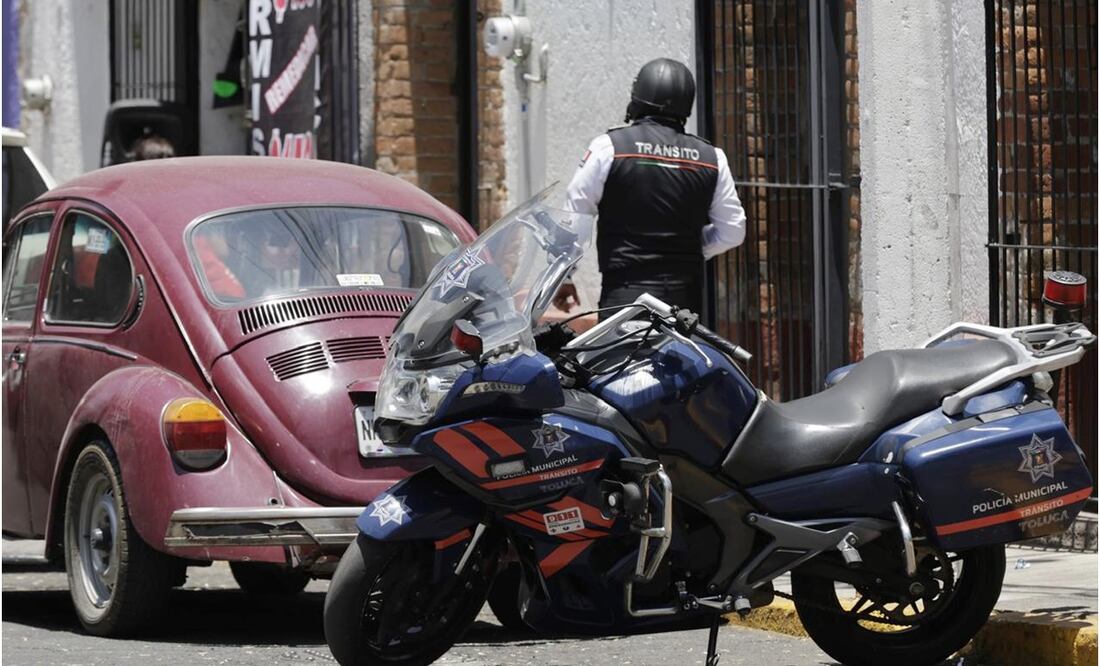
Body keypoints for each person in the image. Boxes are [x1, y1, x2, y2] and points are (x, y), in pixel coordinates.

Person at [558, 57, 746, 317]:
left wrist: (564, 275)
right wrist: (691, 249)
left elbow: (575, 210)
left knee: (622, 347)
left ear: (640, 96)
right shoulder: (712, 158)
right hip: (684, 301)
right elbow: (733, 231)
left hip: (625, 295)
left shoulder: (609, 147)